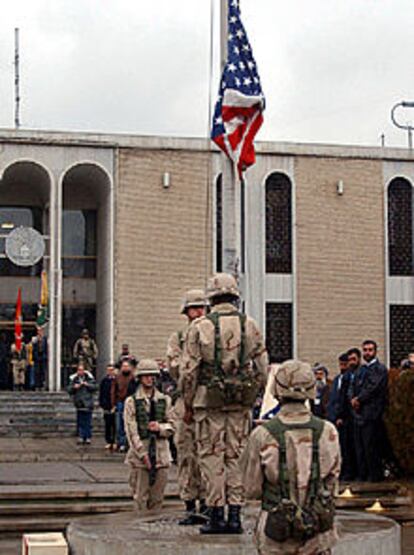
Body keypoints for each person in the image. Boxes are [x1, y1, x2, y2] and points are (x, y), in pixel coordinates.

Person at [181, 272, 268, 534]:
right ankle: (235, 517)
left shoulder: (200, 327)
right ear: (234, 295)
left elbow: (188, 372)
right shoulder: (250, 325)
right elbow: (263, 367)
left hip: (209, 404)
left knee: (211, 458)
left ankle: (217, 516)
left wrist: (187, 403)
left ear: (211, 297)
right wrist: (256, 394)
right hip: (240, 404)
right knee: (237, 458)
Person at [240, 359, 341, 555]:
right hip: (318, 531)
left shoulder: (262, 434)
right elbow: (332, 483)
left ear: (277, 390)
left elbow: (251, 488)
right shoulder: (329, 431)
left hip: (275, 533)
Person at [166, 289, 208, 525]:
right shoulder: (179, 338)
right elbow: (175, 368)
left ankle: (209, 504)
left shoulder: (215, 336)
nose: (198, 312)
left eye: (202, 307)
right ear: (186, 312)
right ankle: (190, 505)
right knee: (186, 456)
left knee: (209, 458)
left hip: (208, 403)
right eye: (194, 308)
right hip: (186, 403)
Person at [124, 358, 174, 511]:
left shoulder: (164, 400)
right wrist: (142, 453)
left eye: (152, 376)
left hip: (161, 454)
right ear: (139, 378)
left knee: (157, 499)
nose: (150, 379)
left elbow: (173, 425)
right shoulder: (132, 402)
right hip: (141, 455)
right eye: (146, 375)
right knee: (140, 498)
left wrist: (160, 427)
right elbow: (131, 430)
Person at [351, 340, 388, 482]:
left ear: (375, 351)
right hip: (359, 413)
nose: (367, 352)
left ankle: (375, 476)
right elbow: (354, 386)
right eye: (365, 350)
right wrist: (354, 399)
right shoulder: (361, 370)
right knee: (361, 447)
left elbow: (373, 387)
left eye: (370, 350)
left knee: (371, 446)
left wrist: (359, 399)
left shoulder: (379, 369)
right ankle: (363, 474)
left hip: (372, 413)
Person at [336, 348, 360, 481]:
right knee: (346, 447)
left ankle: (356, 472)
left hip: (357, 416)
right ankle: (347, 472)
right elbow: (341, 398)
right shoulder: (345, 377)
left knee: (355, 446)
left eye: (352, 360)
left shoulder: (359, 374)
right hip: (346, 417)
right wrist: (340, 415)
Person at [67, 362, 97, 444]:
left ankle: (87, 437)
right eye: (79, 370)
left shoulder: (89, 378)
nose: (80, 372)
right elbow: (69, 389)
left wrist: (87, 385)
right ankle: (80, 436)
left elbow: (95, 387)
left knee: (88, 421)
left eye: (82, 370)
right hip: (79, 403)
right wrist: (74, 387)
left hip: (88, 403)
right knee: (80, 421)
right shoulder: (74, 379)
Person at [111, 359, 137, 452]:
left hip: (131, 402)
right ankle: (121, 443)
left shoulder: (133, 378)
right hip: (120, 402)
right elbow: (113, 391)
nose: (125, 368)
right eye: (124, 366)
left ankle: (129, 443)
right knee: (120, 424)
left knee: (130, 424)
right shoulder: (117, 378)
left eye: (127, 366)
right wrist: (113, 404)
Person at [99, 363, 117, 449]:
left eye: (112, 370)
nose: (110, 372)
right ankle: (109, 441)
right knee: (107, 425)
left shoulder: (117, 380)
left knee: (115, 424)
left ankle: (115, 441)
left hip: (115, 405)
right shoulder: (104, 381)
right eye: (109, 370)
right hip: (106, 406)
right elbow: (102, 393)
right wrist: (102, 404)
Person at [327, 353, 348, 424]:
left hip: (343, 418)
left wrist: (341, 416)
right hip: (332, 416)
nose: (342, 367)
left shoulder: (350, 379)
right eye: (341, 364)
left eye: (344, 364)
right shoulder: (336, 379)